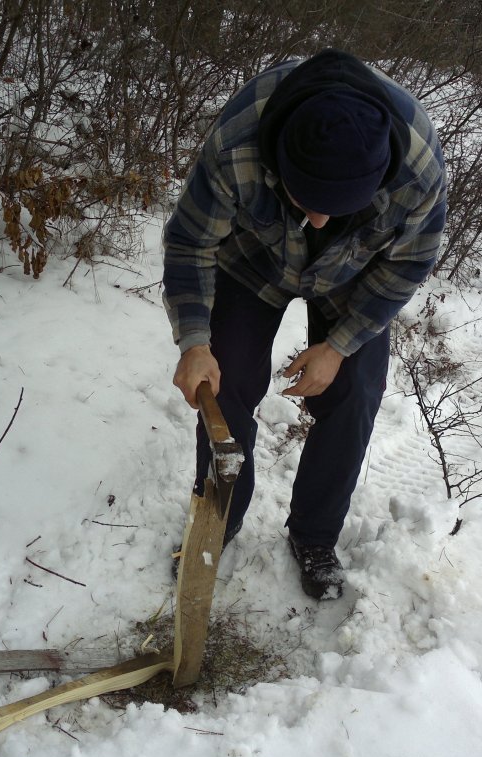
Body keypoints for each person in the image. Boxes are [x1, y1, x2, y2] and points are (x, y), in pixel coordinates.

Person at [162, 48, 446, 600]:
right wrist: (195, 341)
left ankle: (315, 536)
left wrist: (338, 345)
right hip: (253, 263)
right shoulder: (238, 143)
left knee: (356, 392)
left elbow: (408, 263)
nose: (317, 219)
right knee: (229, 380)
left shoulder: (417, 168)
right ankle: (218, 520)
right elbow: (191, 242)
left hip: (352, 276)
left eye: (336, 207)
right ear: (280, 162)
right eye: (303, 198)